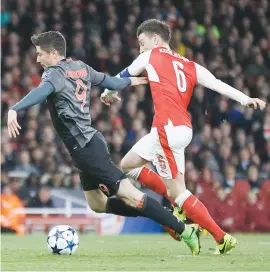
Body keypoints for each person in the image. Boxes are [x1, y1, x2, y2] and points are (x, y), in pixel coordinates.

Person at [7, 31, 200, 255]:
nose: (38, 59)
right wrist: (128, 81)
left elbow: (41, 93)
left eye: (40, 54)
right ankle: (164, 217)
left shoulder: (54, 74)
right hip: (88, 145)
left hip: (87, 149)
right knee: (98, 204)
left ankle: (183, 229)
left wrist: (15, 108)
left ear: (53, 53)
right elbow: (108, 81)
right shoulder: (80, 67)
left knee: (132, 195)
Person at [101, 19, 266, 254]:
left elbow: (121, 76)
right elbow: (217, 84)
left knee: (177, 192)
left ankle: (221, 237)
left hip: (165, 130)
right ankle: (181, 210)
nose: (140, 49)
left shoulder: (151, 56)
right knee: (128, 164)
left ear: (155, 40)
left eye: (142, 43)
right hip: (182, 130)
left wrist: (107, 94)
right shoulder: (189, 64)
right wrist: (245, 99)